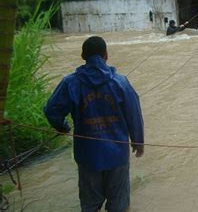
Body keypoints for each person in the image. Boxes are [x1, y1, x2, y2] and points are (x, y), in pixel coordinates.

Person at [44, 36, 144, 212]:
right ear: (106, 55)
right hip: (117, 156)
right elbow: (134, 114)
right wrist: (138, 142)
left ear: (83, 55)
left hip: (87, 156)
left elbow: (52, 110)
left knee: (90, 206)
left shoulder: (70, 83)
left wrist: (62, 127)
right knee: (119, 206)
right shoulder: (121, 82)